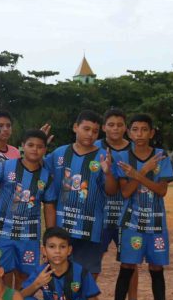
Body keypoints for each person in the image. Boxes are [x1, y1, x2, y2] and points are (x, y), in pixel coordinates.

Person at [99, 114, 173, 300]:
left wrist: (136, 174)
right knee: (127, 267)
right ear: (129, 132)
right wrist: (143, 171)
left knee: (157, 269)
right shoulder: (122, 157)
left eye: (145, 129)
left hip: (156, 224)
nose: (140, 134)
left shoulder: (161, 156)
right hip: (131, 223)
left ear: (151, 133)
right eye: (135, 129)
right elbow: (125, 192)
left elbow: (161, 190)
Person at [43, 110, 117, 278]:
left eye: (95, 131)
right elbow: (37, 169)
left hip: (90, 229)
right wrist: (40, 145)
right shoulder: (59, 153)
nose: (90, 134)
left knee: (88, 277)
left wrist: (108, 173)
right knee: (58, 275)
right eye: (86, 129)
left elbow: (111, 191)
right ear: (75, 127)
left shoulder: (103, 156)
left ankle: (85, 297)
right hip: (62, 229)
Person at [0, 129, 53, 286]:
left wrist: (50, 238)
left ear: (45, 150)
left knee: (24, 277)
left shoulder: (46, 176)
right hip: (2, 234)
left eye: (40, 146)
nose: (35, 149)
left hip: (29, 236)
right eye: (30, 145)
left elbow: (49, 206)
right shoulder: (7, 166)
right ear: (22, 146)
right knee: (0, 275)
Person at [97, 108, 145, 300]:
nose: (115, 129)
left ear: (125, 128)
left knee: (130, 260)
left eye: (119, 125)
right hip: (99, 214)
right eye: (111, 125)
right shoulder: (95, 147)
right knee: (93, 260)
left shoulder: (135, 149)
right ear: (103, 127)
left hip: (128, 214)